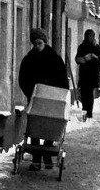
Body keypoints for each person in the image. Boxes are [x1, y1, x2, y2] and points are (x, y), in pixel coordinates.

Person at [18, 27, 69, 171]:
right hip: (35, 99)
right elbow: (23, 79)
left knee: (50, 126)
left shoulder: (55, 59)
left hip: (52, 100)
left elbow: (63, 80)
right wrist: (30, 92)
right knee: (34, 127)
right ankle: (36, 160)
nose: (37, 46)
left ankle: (47, 154)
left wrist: (59, 94)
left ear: (45, 43)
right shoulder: (29, 59)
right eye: (35, 44)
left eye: (40, 43)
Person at [74, 29, 100, 119]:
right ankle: (84, 112)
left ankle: (89, 114)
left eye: (92, 36)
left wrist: (96, 57)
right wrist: (84, 58)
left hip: (93, 74)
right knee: (84, 94)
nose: (90, 38)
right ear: (86, 36)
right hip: (84, 75)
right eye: (89, 36)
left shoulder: (96, 47)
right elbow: (77, 59)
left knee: (90, 95)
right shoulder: (82, 47)